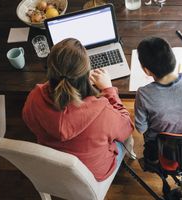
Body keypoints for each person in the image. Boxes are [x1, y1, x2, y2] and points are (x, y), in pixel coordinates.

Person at [22, 38, 134, 181]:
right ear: (87, 75)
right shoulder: (102, 112)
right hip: (94, 174)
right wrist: (109, 89)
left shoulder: (34, 97)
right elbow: (127, 128)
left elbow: (29, 121)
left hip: (54, 168)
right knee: (121, 134)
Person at [134, 36, 182, 169]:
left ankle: (152, 161)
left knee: (149, 143)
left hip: (161, 146)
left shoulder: (143, 94)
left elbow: (141, 128)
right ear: (174, 59)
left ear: (146, 71)